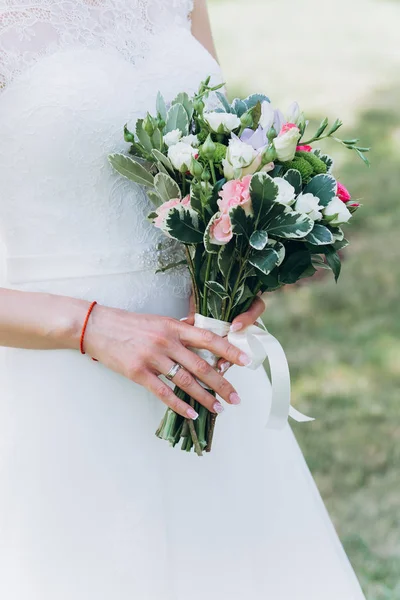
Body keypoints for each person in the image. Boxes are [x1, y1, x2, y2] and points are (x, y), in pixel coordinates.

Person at [0, 1, 366, 598]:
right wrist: (91, 328)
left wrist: (228, 270)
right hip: (60, 395)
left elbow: (216, 158)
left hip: (204, 370)